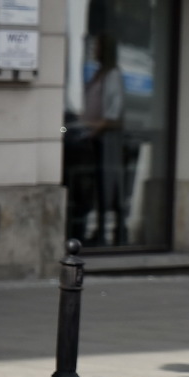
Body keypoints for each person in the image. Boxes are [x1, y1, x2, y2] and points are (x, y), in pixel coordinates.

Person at [82, 33, 125, 245]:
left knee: (108, 185)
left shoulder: (113, 75)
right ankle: (97, 230)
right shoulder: (98, 73)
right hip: (94, 135)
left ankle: (114, 232)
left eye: (98, 46)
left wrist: (93, 128)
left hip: (105, 138)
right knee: (96, 186)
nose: (94, 50)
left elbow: (112, 114)